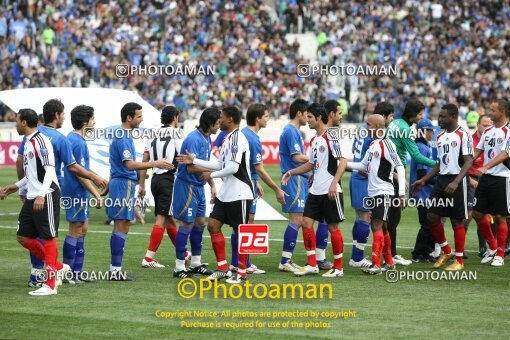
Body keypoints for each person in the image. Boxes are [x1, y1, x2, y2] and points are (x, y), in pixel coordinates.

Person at [16, 99, 108, 288]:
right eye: (63, 114)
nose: (64, 117)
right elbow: (72, 168)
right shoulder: (61, 139)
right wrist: (96, 178)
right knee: (49, 235)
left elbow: (20, 160)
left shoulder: (33, 135)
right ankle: (59, 272)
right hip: (51, 190)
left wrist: (23, 188)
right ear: (57, 115)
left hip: (36, 189)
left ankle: (38, 273)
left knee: (32, 235)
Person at [177, 106, 254, 284]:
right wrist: (194, 160)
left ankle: (241, 273)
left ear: (231, 119)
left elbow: (233, 168)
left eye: (222, 118)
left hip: (240, 193)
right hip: (227, 193)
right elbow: (220, 164)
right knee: (212, 226)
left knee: (240, 232)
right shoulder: (227, 139)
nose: (220, 121)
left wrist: (210, 176)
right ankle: (222, 269)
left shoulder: (237, 139)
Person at [0, 109, 70, 295]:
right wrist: (15, 186)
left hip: (45, 195)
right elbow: (32, 175)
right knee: (23, 237)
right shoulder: (29, 142)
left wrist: (42, 194)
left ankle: (50, 284)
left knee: (48, 236)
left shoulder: (41, 140)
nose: (14, 124)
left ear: (24, 122)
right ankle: (56, 266)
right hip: (32, 194)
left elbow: (49, 170)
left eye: (16, 121)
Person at [106, 102, 174, 280]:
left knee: (124, 226)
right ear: (129, 117)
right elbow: (129, 164)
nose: (141, 120)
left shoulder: (123, 135)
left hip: (121, 183)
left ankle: (115, 269)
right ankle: (115, 271)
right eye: (138, 116)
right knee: (121, 225)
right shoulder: (122, 136)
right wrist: (155, 163)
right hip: (122, 185)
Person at [281, 102, 346, 278]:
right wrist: (291, 172)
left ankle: (338, 268)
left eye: (310, 117)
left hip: (330, 191)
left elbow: (343, 161)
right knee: (306, 223)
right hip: (315, 191)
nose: (307, 120)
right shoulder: (314, 140)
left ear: (318, 118)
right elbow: (311, 163)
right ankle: (312, 264)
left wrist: (334, 183)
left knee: (333, 227)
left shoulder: (331, 136)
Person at [412, 104, 474, 271]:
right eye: (439, 116)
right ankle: (447, 251)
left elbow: (469, 161)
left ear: (453, 117)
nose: (439, 119)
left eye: (443, 117)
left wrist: (456, 182)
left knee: (456, 220)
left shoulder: (463, 134)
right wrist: (424, 180)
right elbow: (440, 163)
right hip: (442, 181)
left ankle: (459, 261)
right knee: (431, 216)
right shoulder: (440, 137)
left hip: (457, 180)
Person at [229, 104, 287, 275]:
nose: (268, 119)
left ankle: (239, 262)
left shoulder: (244, 134)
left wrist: (256, 181)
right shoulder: (253, 139)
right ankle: (243, 264)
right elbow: (260, 168)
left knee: (241, 226)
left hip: (244, 182)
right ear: (258, 118)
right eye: (267, 116)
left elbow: (247, 166)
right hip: (246, 187)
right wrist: (277, 189)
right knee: (247, 225)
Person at [347, 114, 406, 274]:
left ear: (378, 127)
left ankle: (375, 264)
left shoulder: (387, 144)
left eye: (368, 124)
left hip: (384, 191)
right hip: (373, 192)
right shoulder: (374, 144)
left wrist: (401, 194)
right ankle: (389, 262)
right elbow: (362, 165)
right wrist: (342, 164)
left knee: (376, 225)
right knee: (384, 227)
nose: (366, 127)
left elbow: (399, 167)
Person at [278, 99, 331, 273]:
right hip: (295, 180)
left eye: (310, 116)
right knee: (297, 219)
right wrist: (315, 161)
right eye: (306, 115)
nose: (307, 119)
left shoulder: (294, 131)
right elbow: (296, 157)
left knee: (303, 220)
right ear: (299, 113)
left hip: (300, 178)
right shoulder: (291, 131)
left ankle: (295, 259)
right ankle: (285, 260)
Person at [171, 107, 221, 278]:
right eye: (218, 123)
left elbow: (204, 165)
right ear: (210, 123)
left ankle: (195, 263)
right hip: (187, 187)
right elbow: (191, 167)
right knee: (186, 225)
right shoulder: (193, 139)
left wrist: (212, 184)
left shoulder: (207, 138)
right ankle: (178, 267)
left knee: (200, 223)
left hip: (199, 188)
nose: (219, 126)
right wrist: (211, 174)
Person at [386, 99, 437, 265]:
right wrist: (437, 164)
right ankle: (391, 255)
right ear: (413, 114)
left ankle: (388, 253)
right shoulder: (405, 130)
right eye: (420, 114)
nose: (422, 117)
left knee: (387, 218)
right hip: (394, 172)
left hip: (386, 170)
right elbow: (416, 156)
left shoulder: (395, 123)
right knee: (393, 218)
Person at [139, 106, 185, 268]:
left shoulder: (152, 133)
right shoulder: (176, 133)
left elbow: (145, 160)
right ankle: (148, 258)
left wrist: (142, 184)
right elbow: (184, 155)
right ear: (174, 118)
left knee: (169, 220)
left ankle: (184, 253)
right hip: (168, 179)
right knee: (161, 218)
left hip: (155, 180)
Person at [349, 101, 394, 268]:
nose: (390, 120)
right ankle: (358, 257)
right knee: (367, 218)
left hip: (358, 177)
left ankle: (359, 254)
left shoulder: (362, 128)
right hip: (365, 178)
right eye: (389, 117)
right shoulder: (374, 134)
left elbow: (355, 150)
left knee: (364, 217)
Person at [61, 105, 103, 283]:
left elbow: (83, 169)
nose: (95, 122)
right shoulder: (78, 142)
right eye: (93, 119)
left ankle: (77, 272)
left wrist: (96, 178)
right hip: (76, 192)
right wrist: (96, 193)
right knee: (75, 230)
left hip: (77, 191)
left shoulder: (73, 138)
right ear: (85, 122)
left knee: (82, 229)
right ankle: (68, 273)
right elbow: (79, 174)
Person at [471, 99, 510, 267]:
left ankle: (500, 254)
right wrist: (464, 162)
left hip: (502, 178)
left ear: (502, 112)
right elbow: (476, 152)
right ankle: (493, 247)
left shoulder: (508, 131)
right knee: (477, 214)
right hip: (486, 178)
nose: (490, 112)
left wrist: (486, 166)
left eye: (493, 110)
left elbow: (505, 154)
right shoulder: (488, 132)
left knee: (500, 216)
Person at [410, 119, 439, 262]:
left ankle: (425, 252)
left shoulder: (422, 146)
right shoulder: (422, 148)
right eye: (429, 130)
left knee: (429, 224)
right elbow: (422, 175)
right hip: (423, 194)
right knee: (427, 225)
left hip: (424, 193)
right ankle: (419, 254)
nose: (432, 133)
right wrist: (439, 181)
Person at [467, 114, 493, 256]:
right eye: (484, 125)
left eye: (490, 125)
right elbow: (463, 164)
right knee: (470, 215)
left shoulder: (494, 140)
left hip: (490, 180)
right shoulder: (470, 141)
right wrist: (471, 181)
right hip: (472, 180)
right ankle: (462, 250)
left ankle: (489, 248)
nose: (487, 127)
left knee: (491, 215)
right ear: (477, 124)